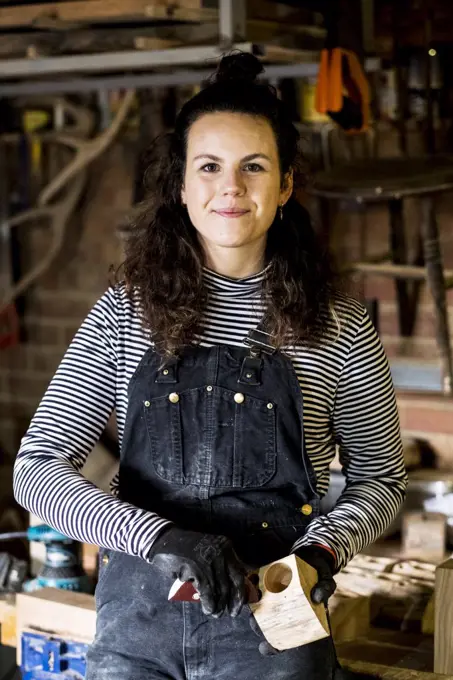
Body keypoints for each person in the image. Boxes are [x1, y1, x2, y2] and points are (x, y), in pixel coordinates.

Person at [13, 52, 407, 680]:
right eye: (209, 167)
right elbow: (35, 473)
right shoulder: (125, 314)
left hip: (278, 606)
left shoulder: (337, 326)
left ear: (284, 186)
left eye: (254, 167)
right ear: (182, 186)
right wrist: (162, 539)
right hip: (139, 617)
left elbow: (381, 480)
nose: (231, 187)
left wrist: (320, 557)